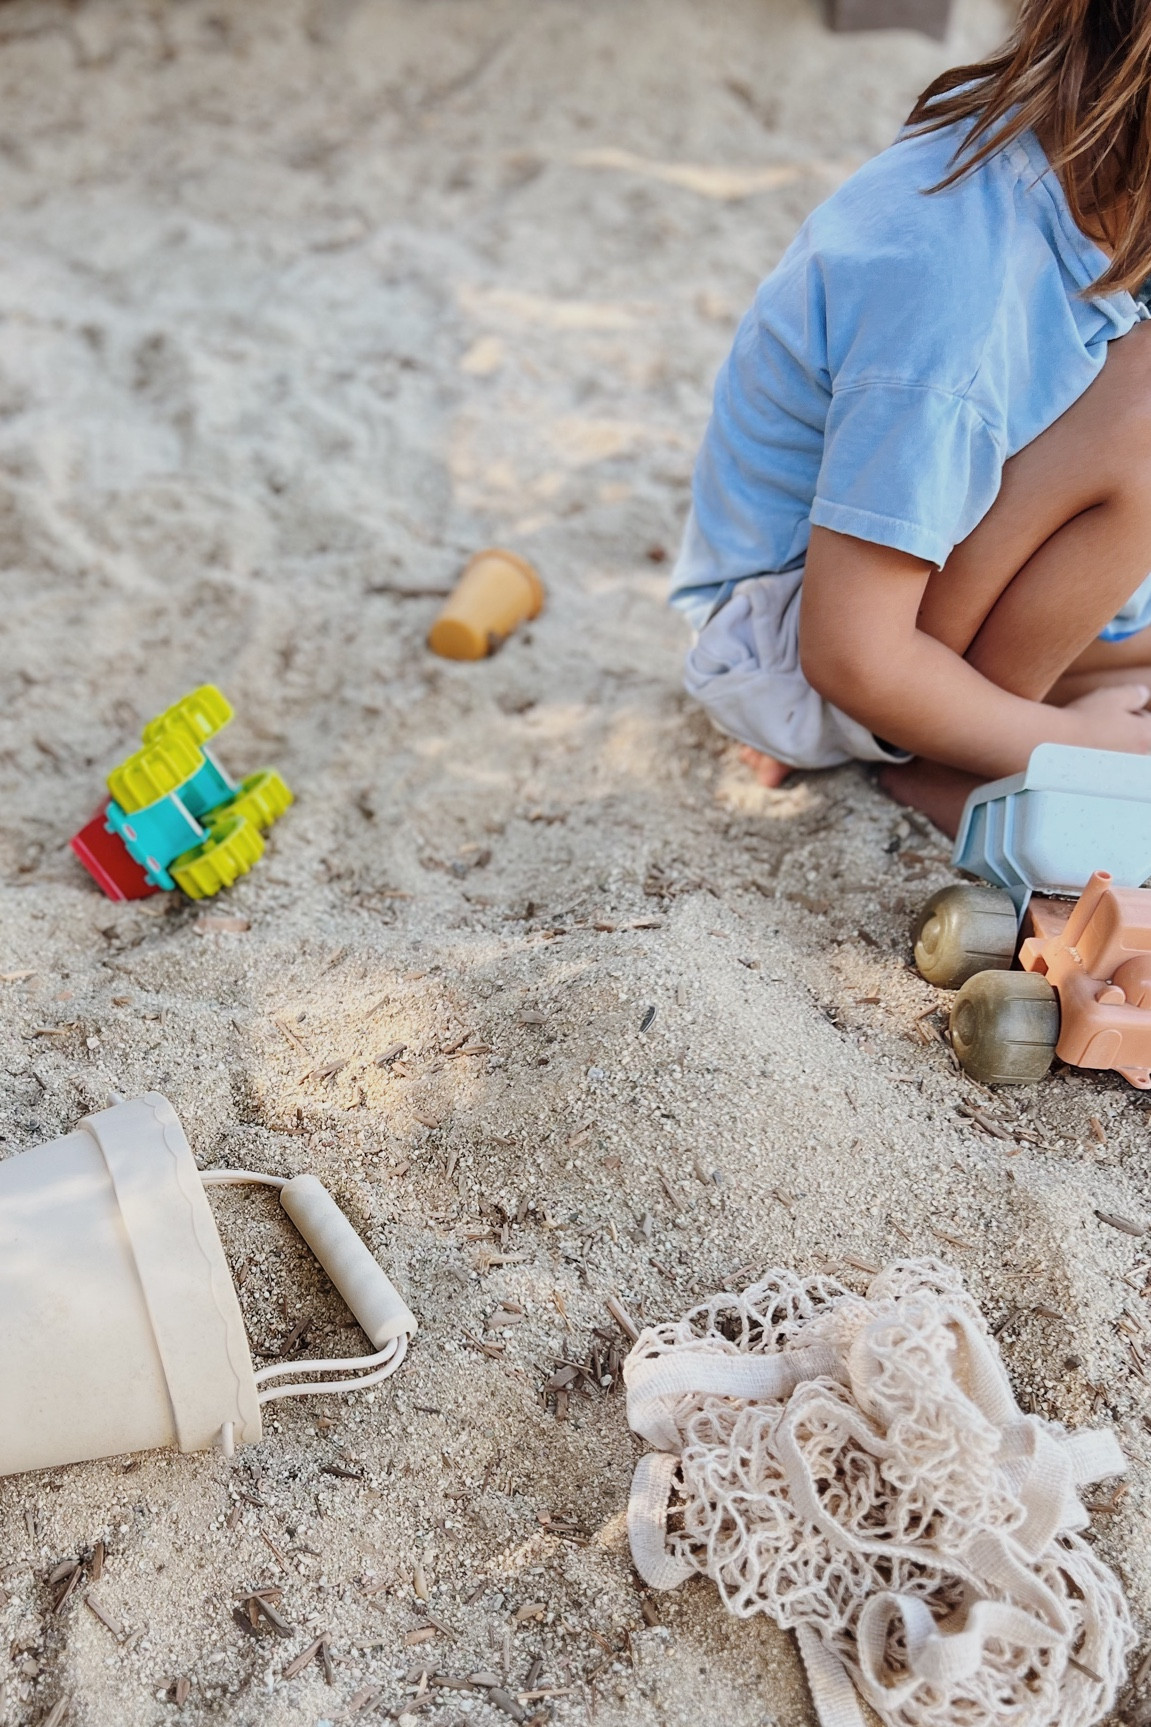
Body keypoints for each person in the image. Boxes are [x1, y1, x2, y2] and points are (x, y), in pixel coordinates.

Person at [673, 0, 1151, 835]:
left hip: (904, 588)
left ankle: (999, 713)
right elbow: (852, 654)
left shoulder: (1090, 160)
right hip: (812, 639)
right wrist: (1070, 745)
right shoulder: (956, 290)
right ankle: (945, 765)